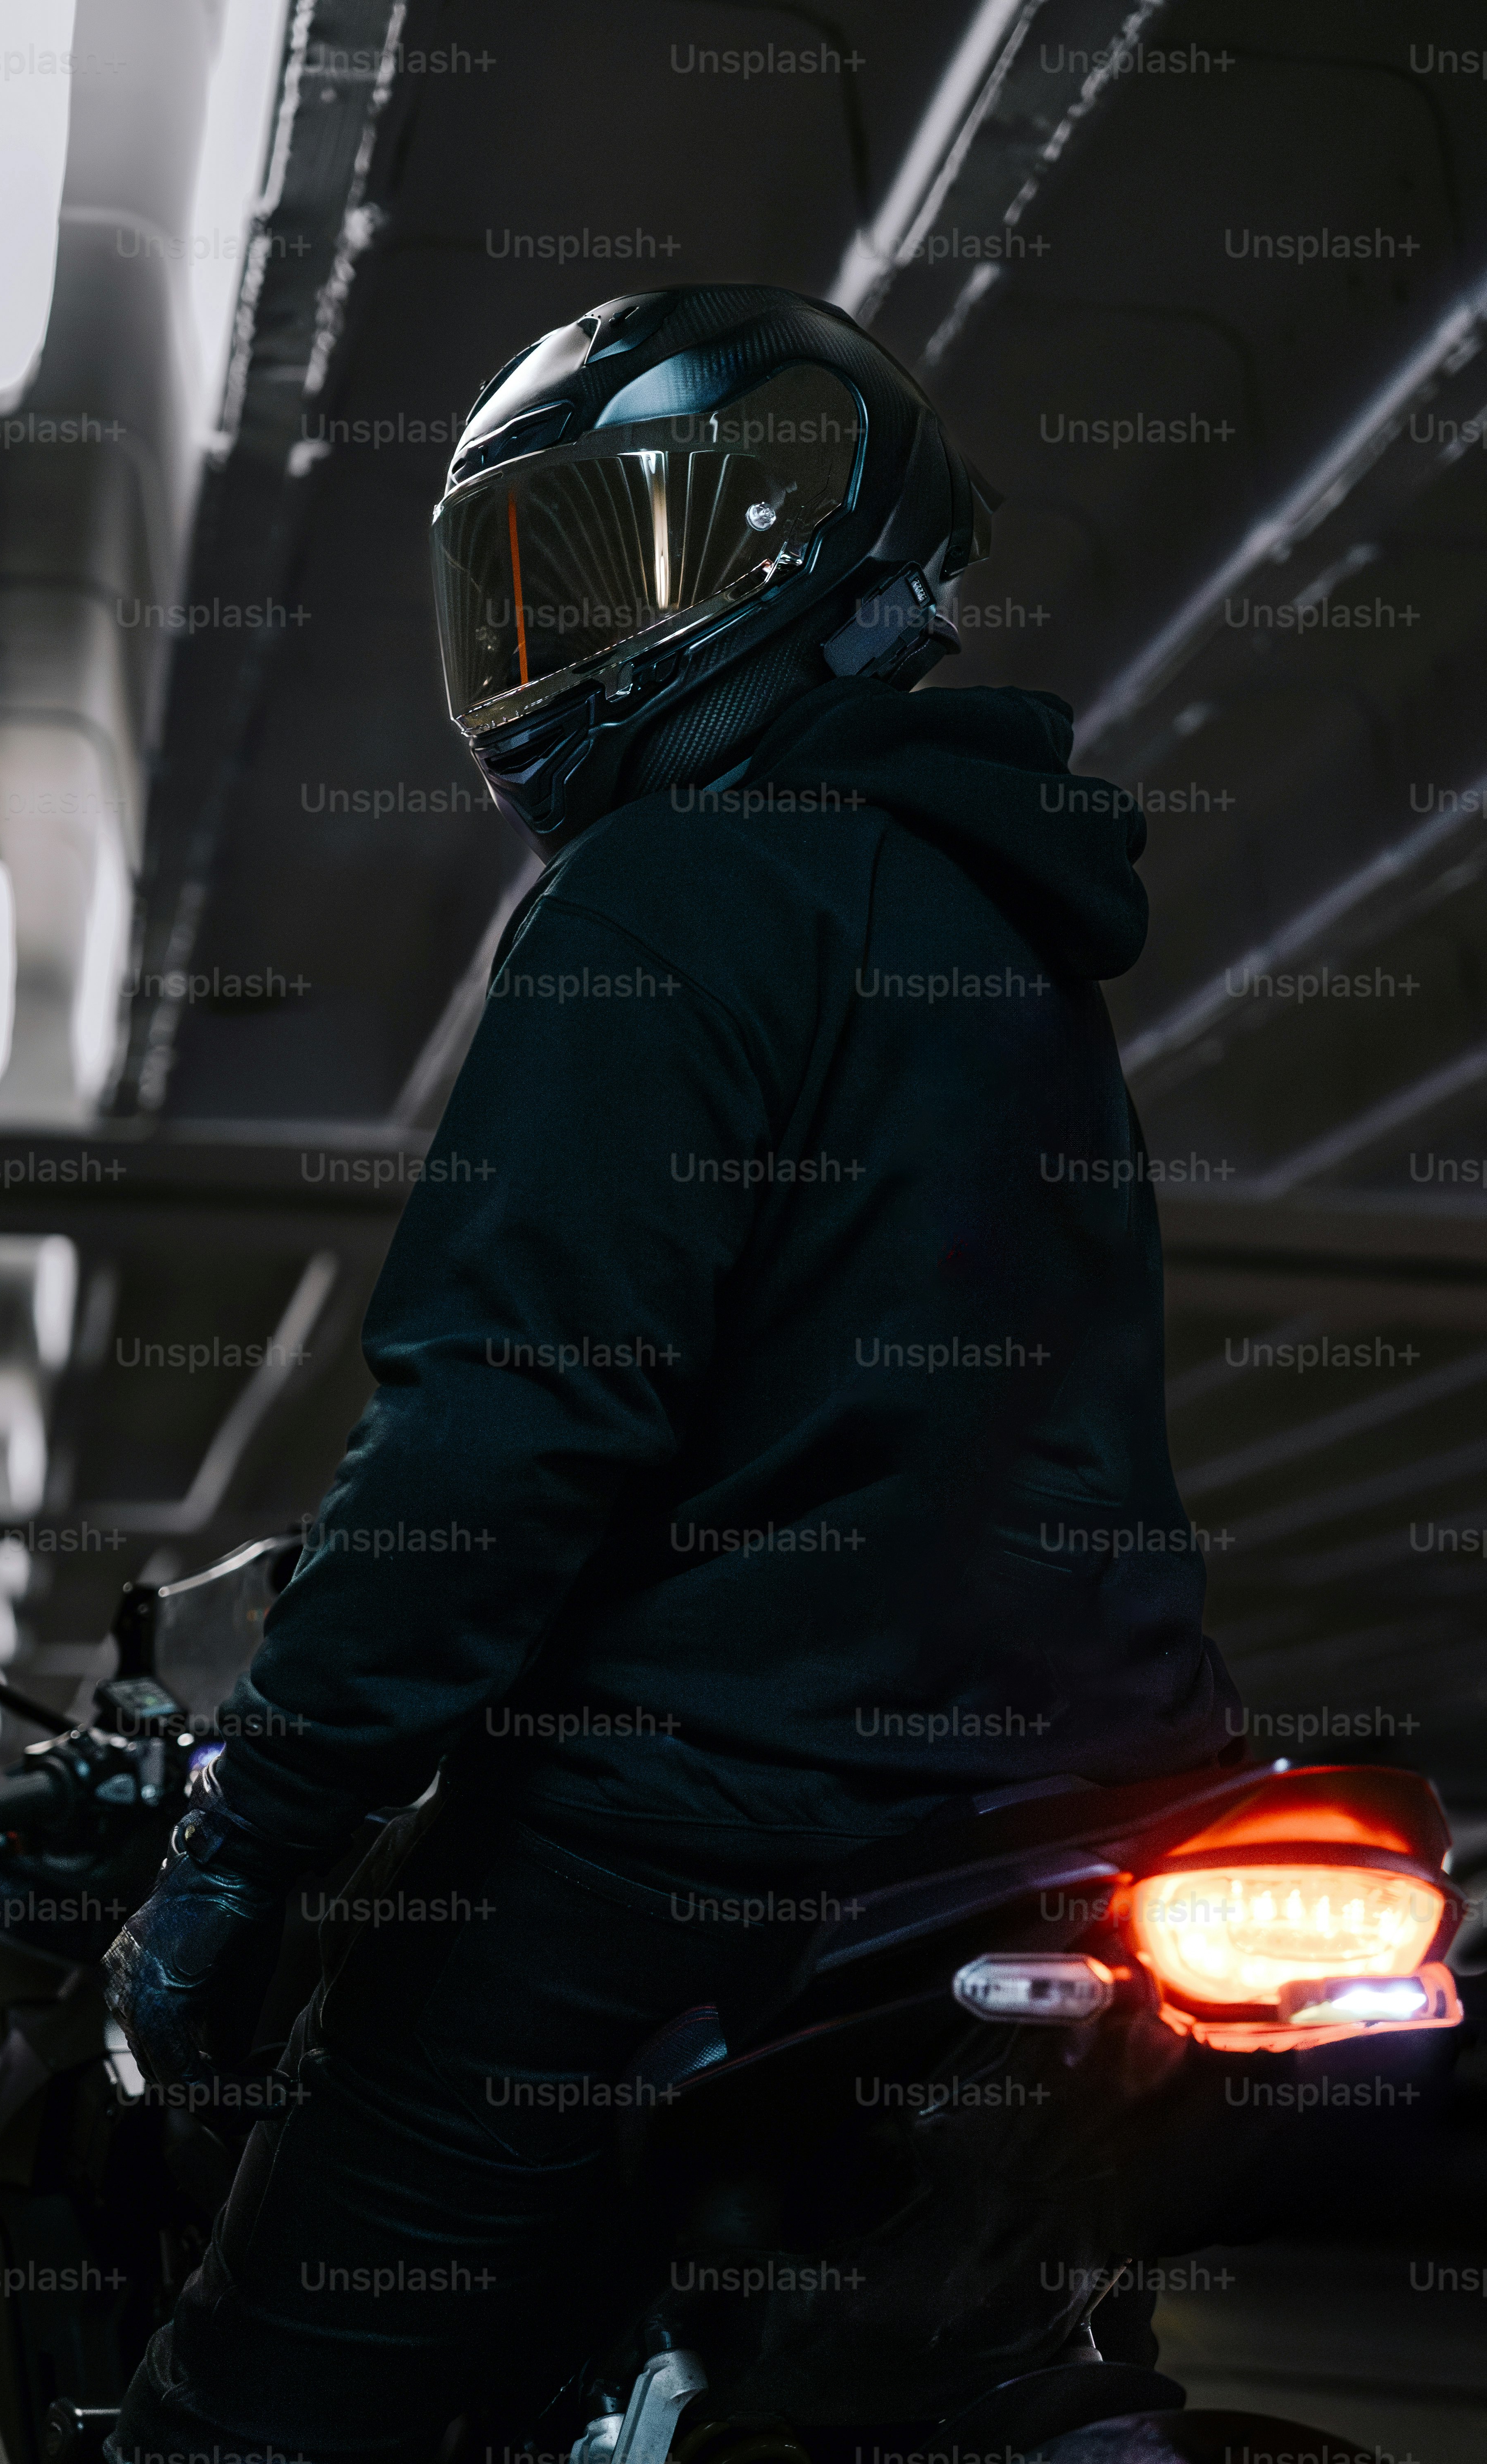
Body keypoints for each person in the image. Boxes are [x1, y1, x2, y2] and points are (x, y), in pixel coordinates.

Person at [103, 285, 1237, 2464]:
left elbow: (508, 1429)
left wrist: (259, 1833)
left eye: (610, 565)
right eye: (515, 586)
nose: (545, 643)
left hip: (710, 1828)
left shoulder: (664, 892)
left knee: (242, 2423)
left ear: (809, 551)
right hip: (1082, 1803)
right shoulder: (999, 924)